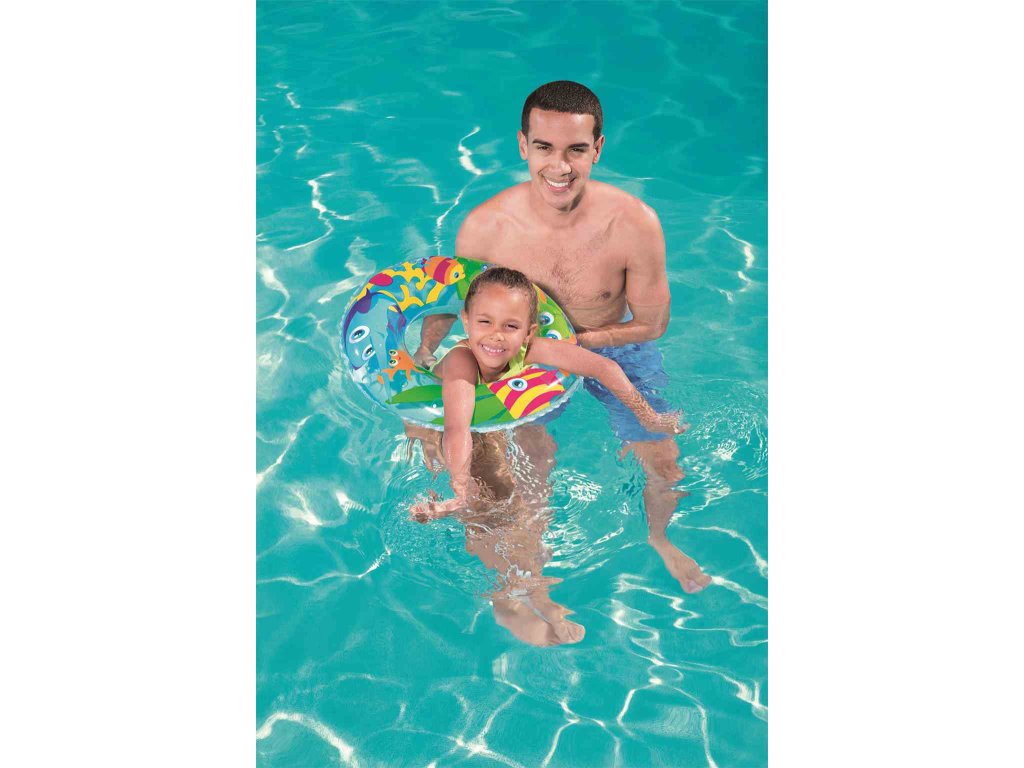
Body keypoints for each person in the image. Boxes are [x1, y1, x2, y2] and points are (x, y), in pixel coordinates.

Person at [411, 80, 712, 594]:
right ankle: (533, 573)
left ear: (598, 148)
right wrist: (422, 363)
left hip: (612, 344)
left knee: (663, 456)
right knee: (530, 462)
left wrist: (580, 347)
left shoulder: (634, 224)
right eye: (544, 147)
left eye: (576, 149)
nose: (560, 166)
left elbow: (652, 324)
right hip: (520, 356)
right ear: (522, 145)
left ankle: (660, 537)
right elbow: (452, 304)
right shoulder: (485, 228)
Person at [410, 266, 684, 647]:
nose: (496, 335)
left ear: (529, 333)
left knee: (535, 486)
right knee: (492, 502)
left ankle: (521, 589)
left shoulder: (529, 349)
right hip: (443, 426)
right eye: (485, 322)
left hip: (490, 421)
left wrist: (647, 415)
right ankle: (520, 596)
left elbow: (603, 367)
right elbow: (457, 429)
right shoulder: (462, 362)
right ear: (466, 322)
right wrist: (458, 489)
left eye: (510, 326)